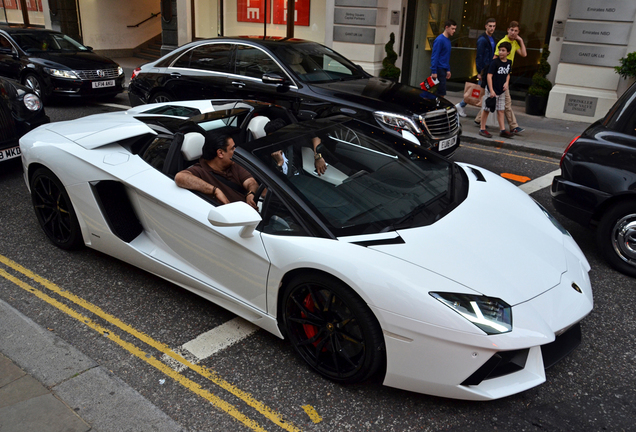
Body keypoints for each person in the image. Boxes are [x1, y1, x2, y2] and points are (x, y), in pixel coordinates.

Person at [175, 130, 260, 209]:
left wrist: (251, 193)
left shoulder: (233, 164)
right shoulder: (200, 171)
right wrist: (215, 190)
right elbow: (180, 177)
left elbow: (250, 182)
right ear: (220, 153)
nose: (235, 151)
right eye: (232, 148)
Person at [495, 21, 527, 134]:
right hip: (500, 76)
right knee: (506, 103)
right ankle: (513, 126)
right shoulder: (503, 42)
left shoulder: (514, 43)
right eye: (512, 30)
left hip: (506, 74)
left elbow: (524, 54)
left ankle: (479, 120)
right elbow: (495, 58)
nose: (513, 33)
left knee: (492, 101)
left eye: (516, 31)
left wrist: (521, 40)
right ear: (508, 30)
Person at [479, 42, 513, 139]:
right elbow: (489, 76)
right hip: (492, 90)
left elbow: (508, 74)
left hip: (501, 90)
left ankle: (502, 130)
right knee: (487, 109)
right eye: (500, 50)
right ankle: (482, 128)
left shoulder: (509, 62)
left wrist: (507, 82)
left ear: (508, 52)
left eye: (503, 51)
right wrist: (491, 90)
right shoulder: (495, 62)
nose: (501, 52)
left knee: (501, 110)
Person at [470, 18, 498, 124]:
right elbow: (479, 56)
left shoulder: (492, 38)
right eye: (490, 26)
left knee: (481, 92)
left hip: (489, 68)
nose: (492, 28)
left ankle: (463, 105)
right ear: (485, 26)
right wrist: (479, 71)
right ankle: (463, 104)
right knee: (481, 91)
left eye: (493, 26)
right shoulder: (482, 39)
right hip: (485, 69)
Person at [430, 20, 457, 98]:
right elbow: (435, 56)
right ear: (446, 27)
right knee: (438, 93)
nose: (454, 31)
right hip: (439, 69)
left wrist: (448, 69)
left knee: (440, 93)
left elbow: (446, 56)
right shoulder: (440, 40)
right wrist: (434, 71)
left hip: (443, 69)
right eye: (452, 29)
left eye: (455, 29)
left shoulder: (447, 40)